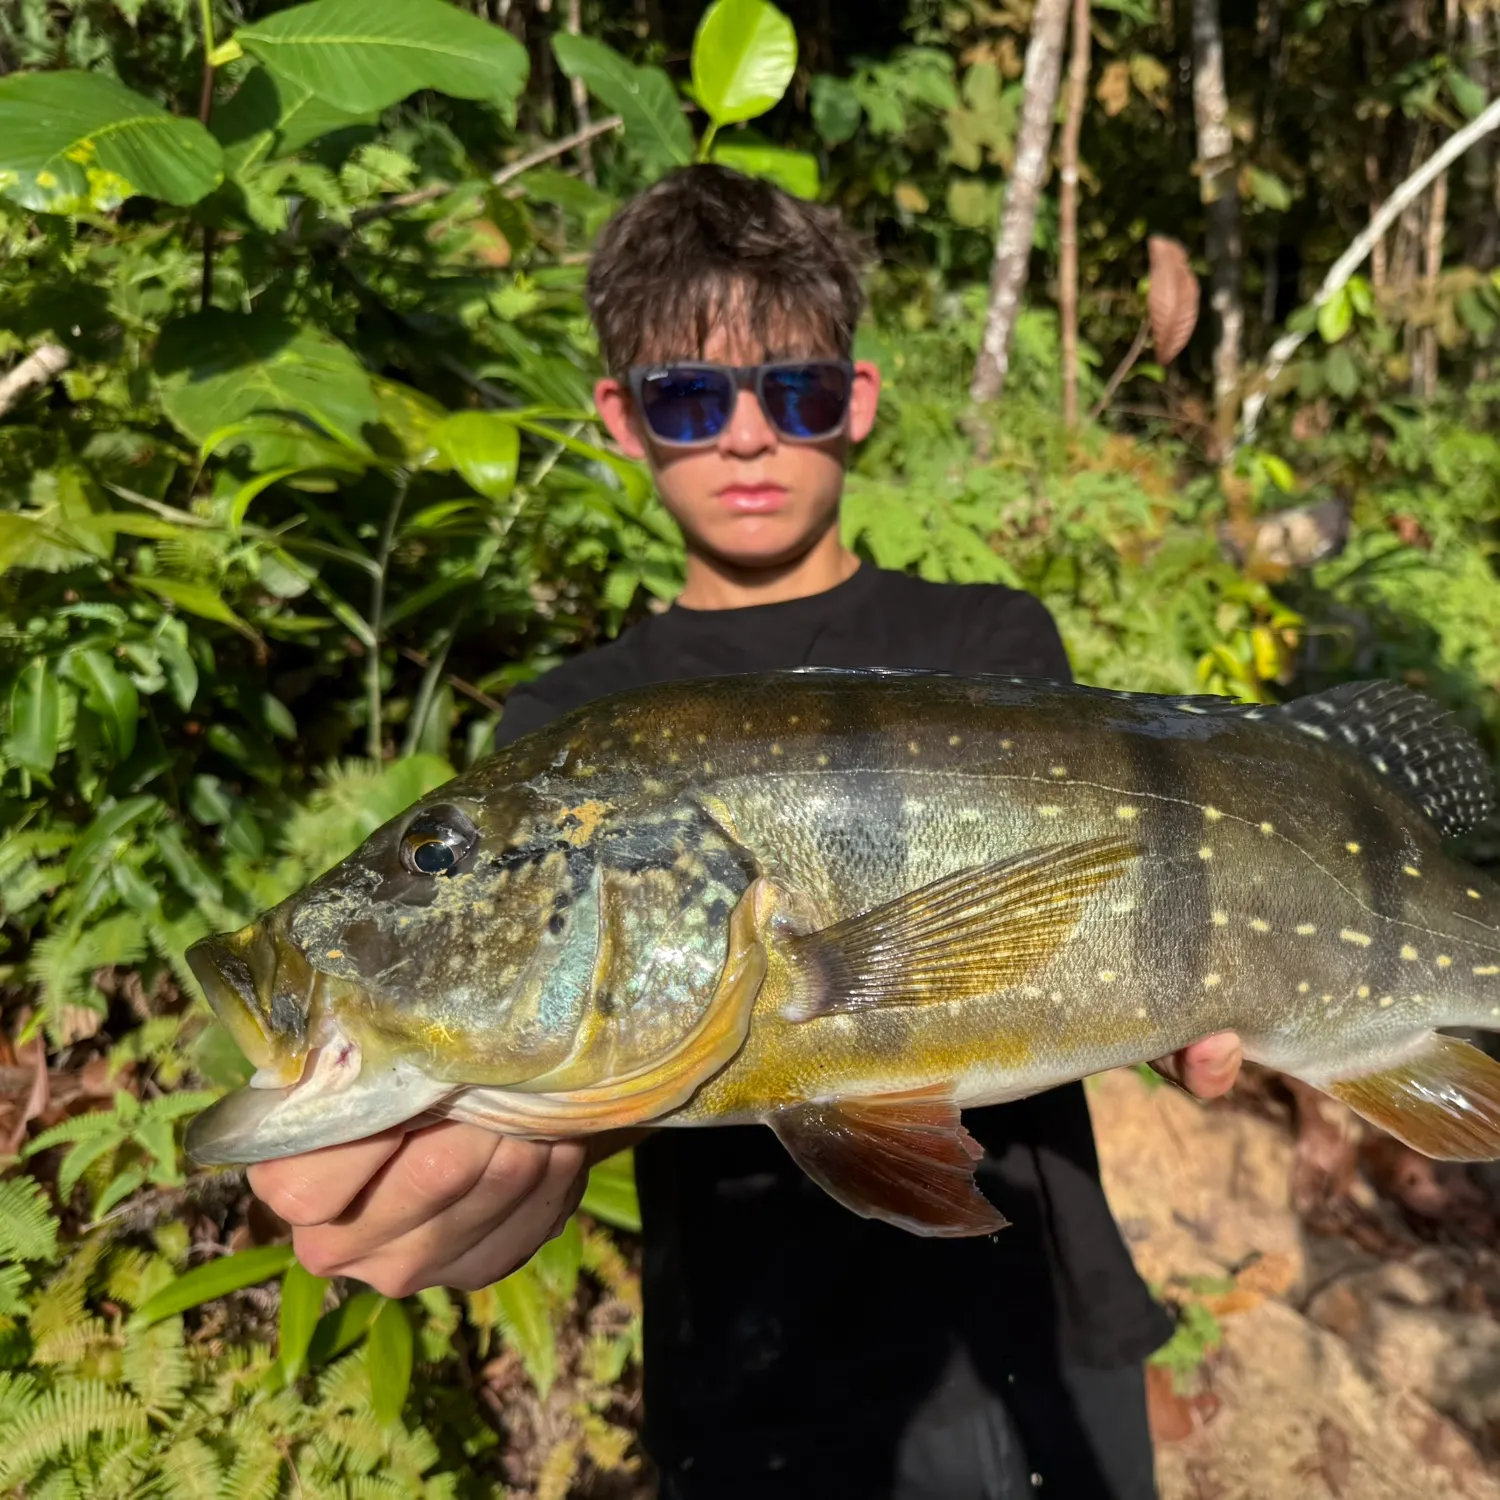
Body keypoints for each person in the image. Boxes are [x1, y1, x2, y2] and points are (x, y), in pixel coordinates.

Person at [248, 165, 1245, 1499]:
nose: (746, 436)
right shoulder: (568, 725)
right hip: (759, 1391)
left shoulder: (993, 645)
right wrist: (507, 1171)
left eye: (797, 391)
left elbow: (1127, 914)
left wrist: (1208, 994)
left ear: (859, 403)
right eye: (685, 396)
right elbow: (583, 1080)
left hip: (1042, 1332)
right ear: (621, 418)